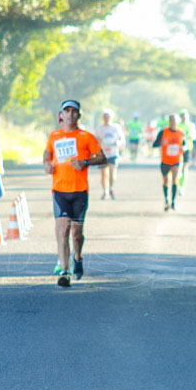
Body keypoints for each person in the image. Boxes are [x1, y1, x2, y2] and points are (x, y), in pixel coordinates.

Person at [44, 100, 105, 288]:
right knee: (63, 230)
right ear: (61, 114)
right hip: (60, 190)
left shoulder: (86, 137)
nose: (70, 114)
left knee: (76, 233)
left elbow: (102, 157)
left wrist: (85, 162)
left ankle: (77, 257)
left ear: (79, 115)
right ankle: (64, 271)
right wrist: (46, 164)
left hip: (79, 191)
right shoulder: (54, 136)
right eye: (67, 111)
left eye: (74, 111)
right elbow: (47, 154)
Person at [152, 114, 184, 211]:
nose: (173, 122)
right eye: (171, 120)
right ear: (169, 122)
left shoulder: (180, 133)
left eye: (175, 120)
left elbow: (184, 144)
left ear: (177, 122)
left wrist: (184, 148)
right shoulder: (163, 132)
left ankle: (173, 202)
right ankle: (166, 200)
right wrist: (162, 143)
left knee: (175, 179)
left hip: (176, 160)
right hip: (165, 161)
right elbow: (154, 144)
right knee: (166, 180)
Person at [94, 108, 125, 199]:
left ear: (111, 117)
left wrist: (118, 143)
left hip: (113, 153)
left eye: (108, 117)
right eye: (104, 117)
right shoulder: (99, 128)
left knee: (112, 172)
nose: (106, 118)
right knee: (104, 174)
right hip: (102, 154)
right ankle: (105, 191)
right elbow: (95, 139)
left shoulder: (116, 127)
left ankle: (111, 188)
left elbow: (122, 139)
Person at [177, 109, 196, 195]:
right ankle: (178, 183)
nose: (183, 117)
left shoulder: (191, 125)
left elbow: (194, 136)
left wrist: (188, 136)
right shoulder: (178, 125)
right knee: (178, 168)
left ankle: (182, 187)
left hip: (187, 149)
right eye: (181, 115)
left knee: (185, 168)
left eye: (184, 115)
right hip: (178, 149)